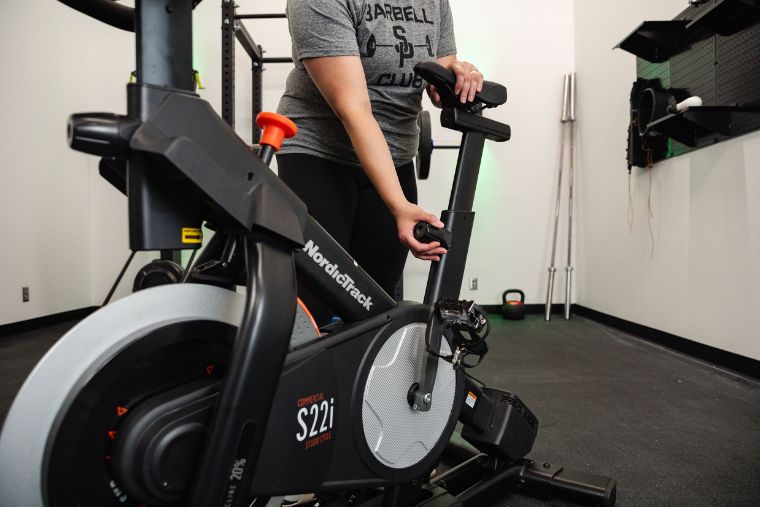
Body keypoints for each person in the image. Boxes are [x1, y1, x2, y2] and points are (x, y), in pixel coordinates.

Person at [276, 0, 484, 325]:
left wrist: (458, 76)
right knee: (311, 302)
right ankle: (295, 374)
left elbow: (439, 73)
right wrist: (399, 205)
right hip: (318, 152)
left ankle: (357, 377)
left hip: (395, 157)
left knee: (373, 303)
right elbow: (353, 108)